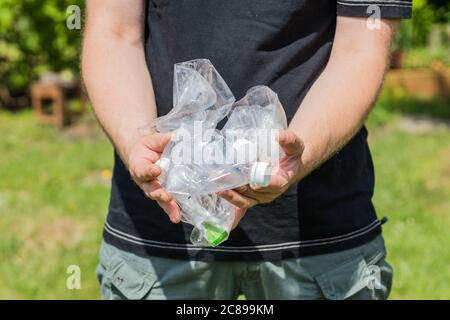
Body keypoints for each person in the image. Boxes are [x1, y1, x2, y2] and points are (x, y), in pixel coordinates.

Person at [82, 0, 412, 299]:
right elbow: (113, 34)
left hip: (319, 243)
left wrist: (299, 154)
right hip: (159, 245)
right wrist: (138, 146)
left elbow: (361, 49)